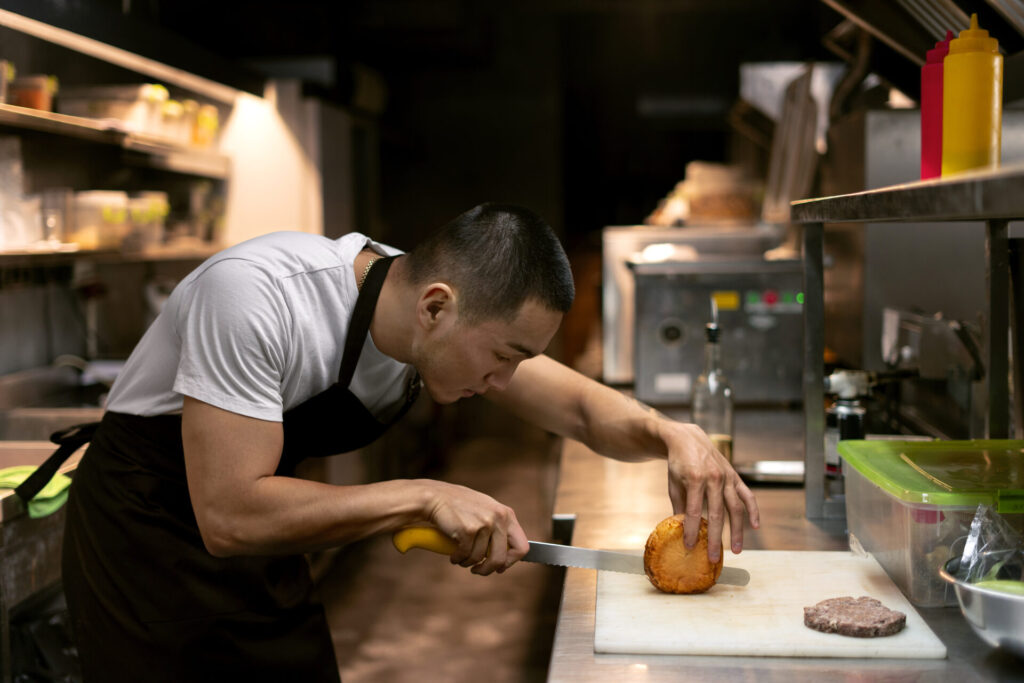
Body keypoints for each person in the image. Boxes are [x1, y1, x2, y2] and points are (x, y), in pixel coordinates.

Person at [59, 203, 759, 681]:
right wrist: (423, 495)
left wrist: (673, 432)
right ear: (435, 306)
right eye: (506, 356)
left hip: (263, 552)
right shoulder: (255, 298)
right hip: (146, 549)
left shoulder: (434, 318)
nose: (511, 380)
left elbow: (578, 407)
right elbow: (230, 511)